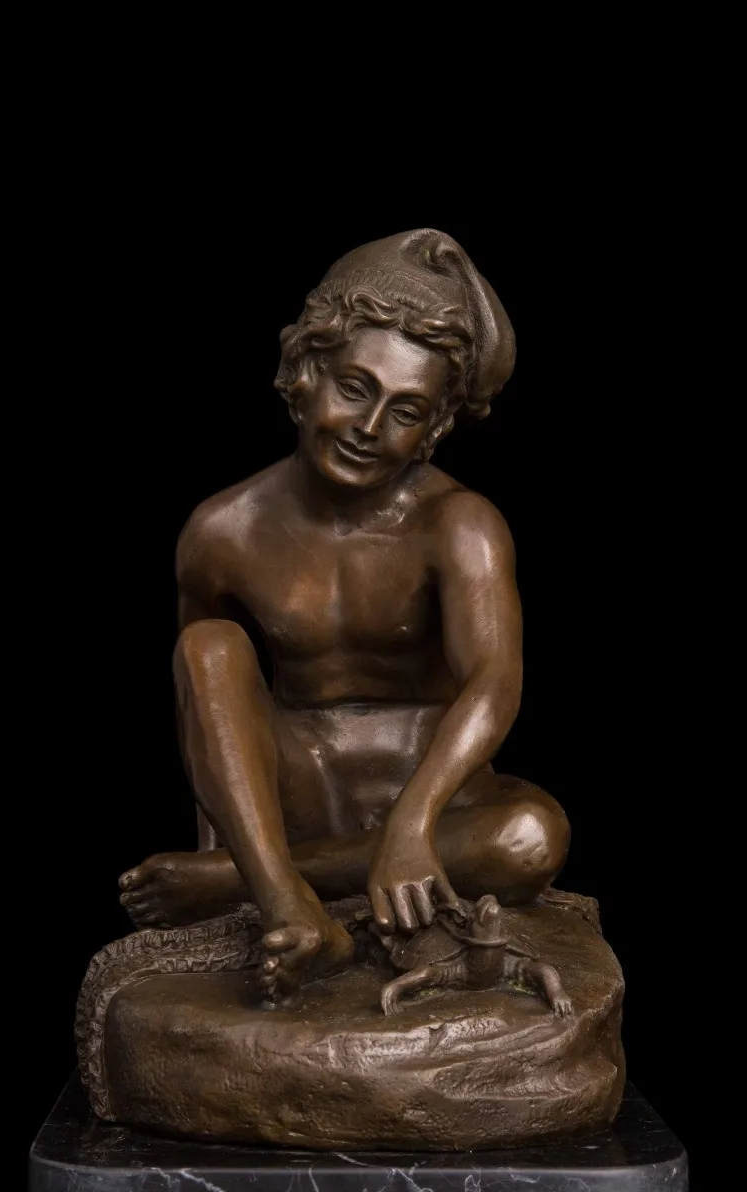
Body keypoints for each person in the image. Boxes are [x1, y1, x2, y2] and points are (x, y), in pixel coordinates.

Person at [119, 229, 570, 1004]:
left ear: (434, 429)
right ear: (305, 371)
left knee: (532, 836)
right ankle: (286, 904)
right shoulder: (221, 532)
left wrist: (413, 825)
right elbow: (208, 714)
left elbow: (495, 683)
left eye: (406, 410)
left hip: (439, 806)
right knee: (206, 646)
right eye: (355, 388)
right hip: (302, 799)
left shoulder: (460, 525)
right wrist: (226, 843)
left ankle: (246, 881)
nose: (369, 428)